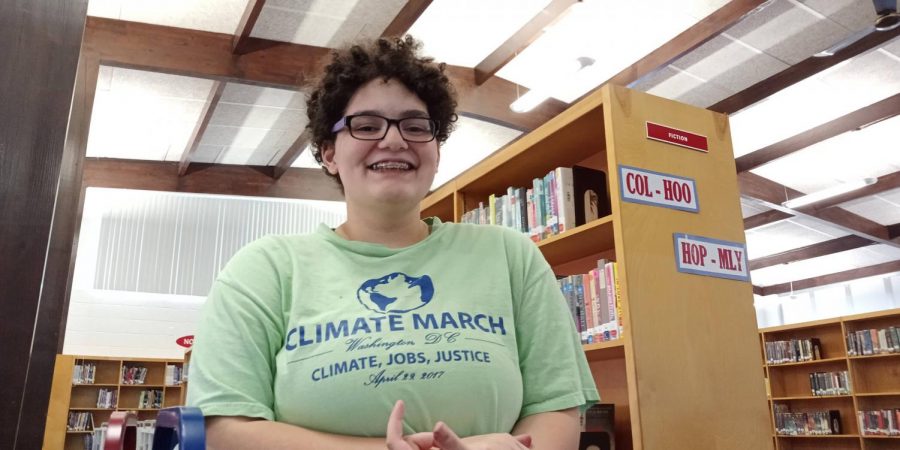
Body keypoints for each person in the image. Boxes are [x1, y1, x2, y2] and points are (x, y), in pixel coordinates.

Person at [186, 35, 599, 450]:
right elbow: (225, 430)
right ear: (329, 153)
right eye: (366, 126)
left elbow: (557, 407)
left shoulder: (511, 256)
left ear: (436, 149)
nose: (395, 140)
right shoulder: (264, 269)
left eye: (416, 126)